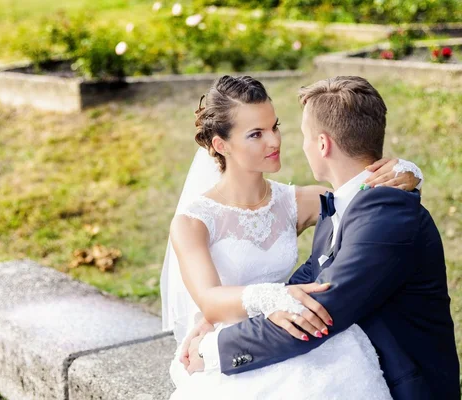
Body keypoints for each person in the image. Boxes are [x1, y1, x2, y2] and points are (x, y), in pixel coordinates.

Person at [161, 75, 457, 399]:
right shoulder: (194, 220)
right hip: (244, 330)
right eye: (256, 134)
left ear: (321, 143)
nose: (274, 141)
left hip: (291, 331)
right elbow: (212, 299)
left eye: (275, 127)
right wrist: (244, 316)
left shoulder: (304, 201)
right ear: (221, 145)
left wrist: (409, 173)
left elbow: (361, 205)